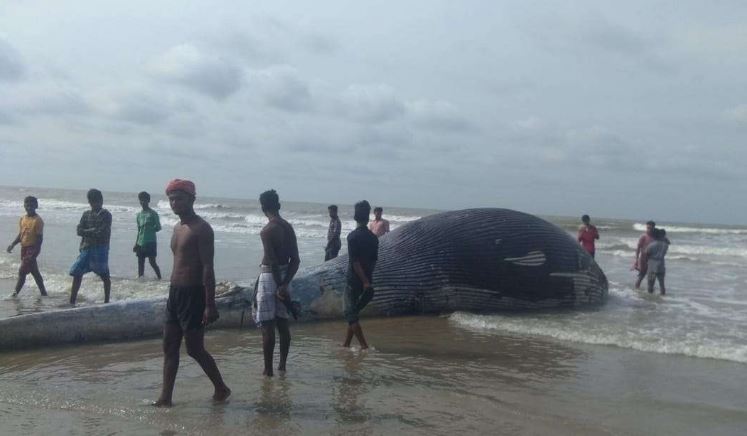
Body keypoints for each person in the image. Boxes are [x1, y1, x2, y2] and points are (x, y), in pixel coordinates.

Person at [154, 179, 231, 407]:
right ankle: (165, 397)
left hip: (193, 294)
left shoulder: (202, 229)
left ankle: (221, 387)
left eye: (179, 198)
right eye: (171, 199)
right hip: (175, 293)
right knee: (169, 345)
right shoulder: (178, 228)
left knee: (195, 349)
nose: (175, 203)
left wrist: (210, 304)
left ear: (192, 199)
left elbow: (208, 267)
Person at [254, 189, 300, 376]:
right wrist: (285, 284)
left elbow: (272, 262)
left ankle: (268, 369)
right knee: (282, 323)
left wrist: (278, 284)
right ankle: (282, 365)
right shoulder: (288, 227)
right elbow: (295, 260)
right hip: (286, 276)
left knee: (267, 325)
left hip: (269, 277)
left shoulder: (267, 231)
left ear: (263, 208)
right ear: (279, 206)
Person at [343, 200, 378, 350]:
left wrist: (363, 281)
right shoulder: (374, 238)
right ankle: (346, 344)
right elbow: (373, 261)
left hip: (354, 281)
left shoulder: (352, 237)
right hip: (367, 280)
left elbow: (355, 263)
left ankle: (364, 346)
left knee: (349, 314)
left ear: (355, 217)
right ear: (368, 217)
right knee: (354, 313)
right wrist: (367, 280)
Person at [69, 189, 112, 305]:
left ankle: (107, 301)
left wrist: (86, 231)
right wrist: (91, 230)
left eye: (97, 201)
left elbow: (101, 232)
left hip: (100, 249)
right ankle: (72, 300)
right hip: (86, 248)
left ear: (101, 201)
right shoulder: (86, 214)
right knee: (77, 272)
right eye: (93, 202)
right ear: (89, 202)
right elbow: (78, 230)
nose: (95, 204)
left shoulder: (106, 215)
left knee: (104, 275)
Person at [6, 196, 47, 297]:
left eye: (32, 205)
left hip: (32, 249)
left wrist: (33, 253)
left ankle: (14, 294)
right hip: (24, 248)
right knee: (35, 272)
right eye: (27, 205)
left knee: (22, 271)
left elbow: (39, 239)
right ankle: (44, 293)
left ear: (36, 206)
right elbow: (21, 235)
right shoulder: (23, 219)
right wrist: (13, 244)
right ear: (24, 206)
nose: (29, 207)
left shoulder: (38, 220)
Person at [133, 191, 162, 279]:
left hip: (150, 241)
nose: (142, 202)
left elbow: (158, 227)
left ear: (148, 201)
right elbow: (139, 230)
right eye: (141, 200)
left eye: (144, 200)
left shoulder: (153, 214)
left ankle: (160, 278)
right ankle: (140, 280)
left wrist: (150, 229)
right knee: (140, 263)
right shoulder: (139, 215)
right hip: (140, 242)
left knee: (152, 262)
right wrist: (136, 243)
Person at [646, 228, 669, 295]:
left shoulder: (651, 245)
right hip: (661, 265)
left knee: (650, 285)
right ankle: (663, 298)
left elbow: (647, 254)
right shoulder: (665, 245)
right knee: (662, 285)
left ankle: (650, 299)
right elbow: (667, 242)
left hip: (652, 266)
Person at [634, 220, 656, 289]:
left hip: (653, 260)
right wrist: (636, 260)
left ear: (653, 228)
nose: (648, 230)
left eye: (650, 228)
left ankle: (650, 294)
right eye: (647, 228)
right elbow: (638, 248)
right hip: (643, 259)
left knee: (652, 279)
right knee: (641, 276)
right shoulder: (643, 236)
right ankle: (636, 292)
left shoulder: (656, 237)